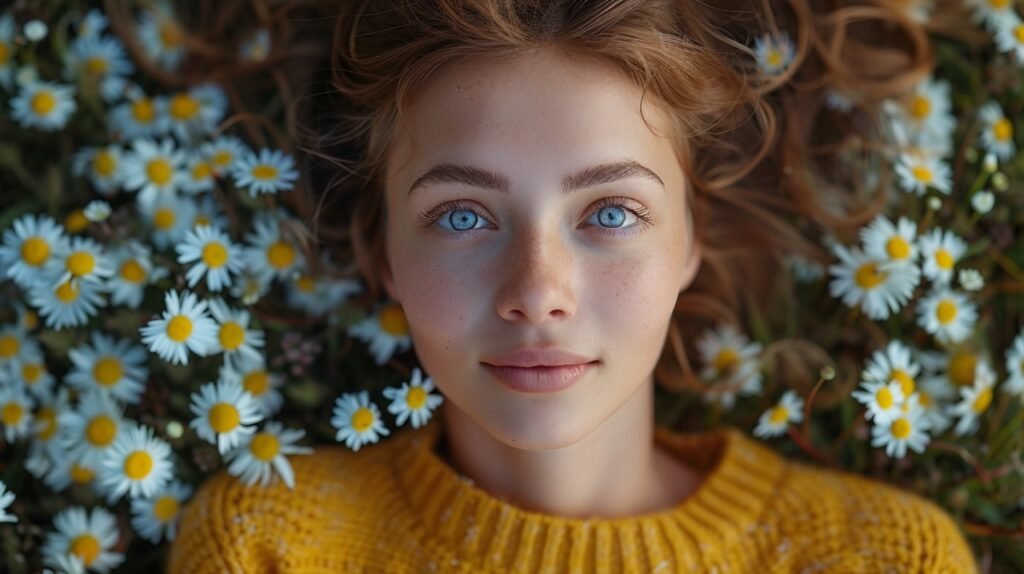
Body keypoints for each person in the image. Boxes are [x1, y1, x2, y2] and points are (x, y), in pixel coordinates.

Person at [167, 0, 979, 572]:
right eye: (460, 217)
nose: (537, 291)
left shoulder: (880, 557)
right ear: (385, 252)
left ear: (691, 239)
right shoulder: (271, 548)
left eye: (613, 213)